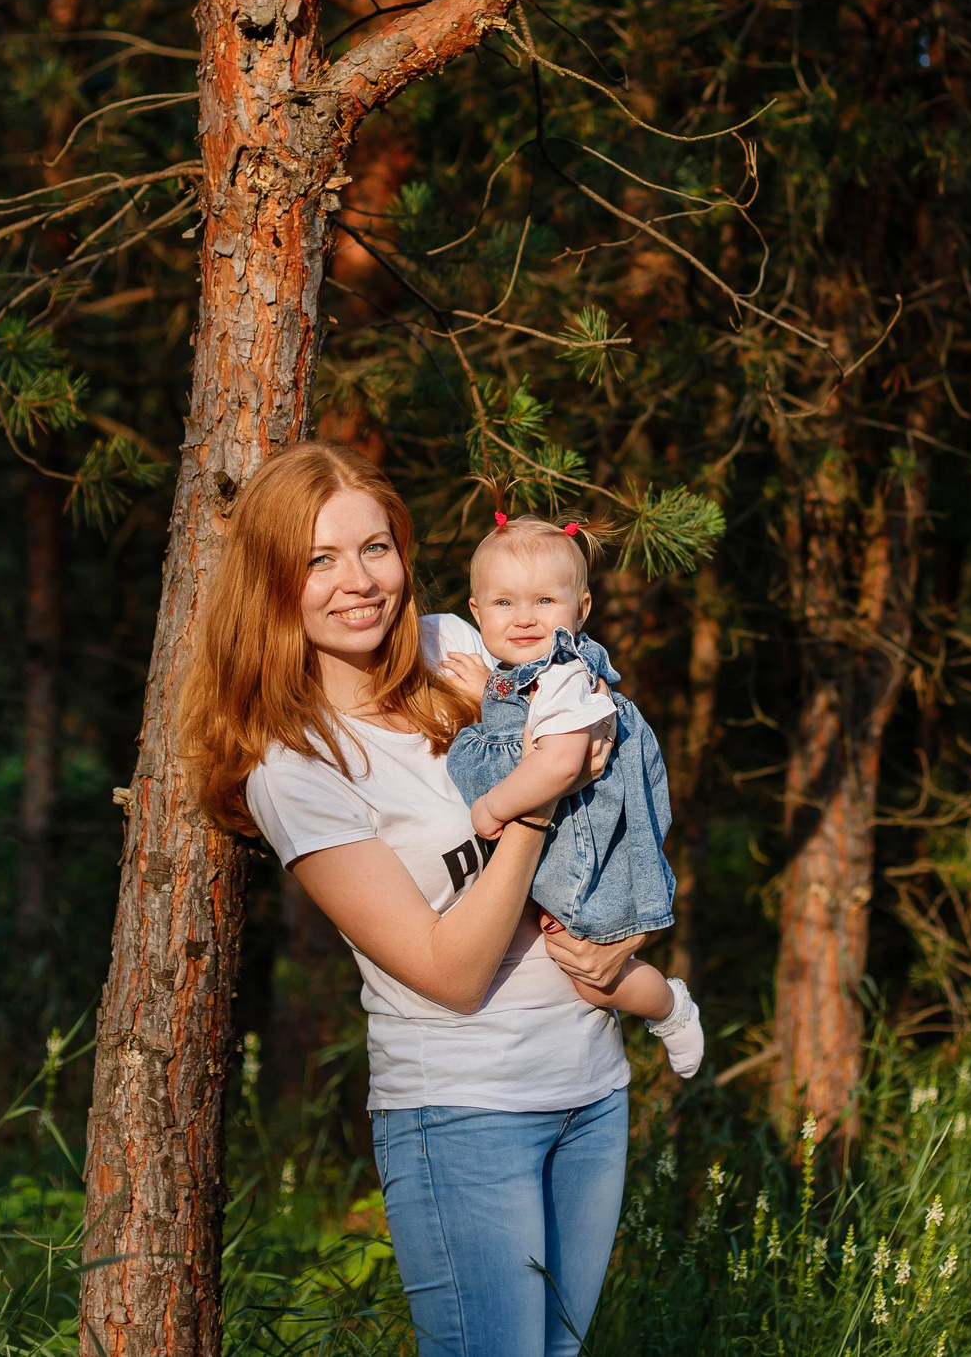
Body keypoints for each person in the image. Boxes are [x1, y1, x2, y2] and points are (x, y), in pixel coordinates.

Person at [185, 441, 644, 1357]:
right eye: (318, 559)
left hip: (591, 1085)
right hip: (467, 1114)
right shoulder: (297, 769)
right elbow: (452, 968)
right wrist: (537, 797)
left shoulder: (460, 642)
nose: (357, 582)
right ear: (274, 581)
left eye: (375, 548)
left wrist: (623, 937)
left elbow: (615, 766)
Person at [437, 512, 704, 1077]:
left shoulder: (563, 674)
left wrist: (492, 806)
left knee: (595, 983)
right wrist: (486, 691)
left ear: (581, 610)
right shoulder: (518, 675)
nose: (525, 618)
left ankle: (670, 1008)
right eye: (504, 604)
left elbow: (559, 765)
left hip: (585, 857)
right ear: (476, 612)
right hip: (559, 851)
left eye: (544, 602)